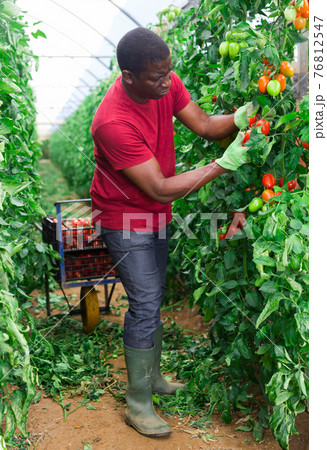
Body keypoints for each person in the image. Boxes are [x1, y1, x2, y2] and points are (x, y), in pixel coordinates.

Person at [90, 27, 255, 438]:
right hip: (124, 217)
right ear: (129, 76)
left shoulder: (161, 78)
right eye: (156, 76)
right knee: (145, 301)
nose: (167, 81)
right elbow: (160, 185)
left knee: (154, 294)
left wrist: (237, 120)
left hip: (157, 213)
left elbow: (202, 124)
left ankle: (154, 378)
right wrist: (224, 164)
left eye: (169, 71)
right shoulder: (112, 122)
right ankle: (138, 401)